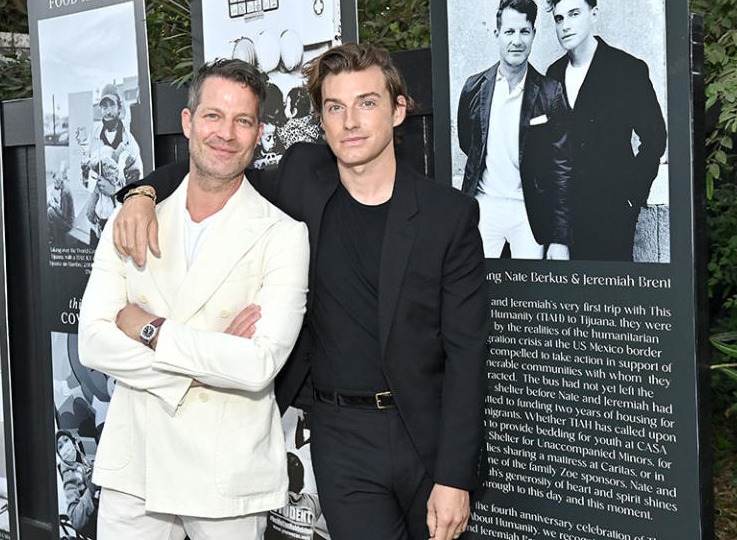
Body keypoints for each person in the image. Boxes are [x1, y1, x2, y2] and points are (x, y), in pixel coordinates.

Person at [113, 43, 490, 540]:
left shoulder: (448, 215)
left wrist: (453, 476)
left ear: (399, 111)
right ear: (321, 120)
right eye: (335, 107)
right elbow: (215, 166)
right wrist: (142, 193)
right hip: (340, 437)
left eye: (367, 103)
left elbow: (468, 352)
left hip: (425, 432)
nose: (350, 121)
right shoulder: (302, 178)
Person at [77, 58, 310, 538]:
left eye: (242, 120)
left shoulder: (283, 234)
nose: (226, 133)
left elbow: (258, 364)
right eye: (213, 116)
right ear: (187, 122)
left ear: (259, 132)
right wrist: (205, 360)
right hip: (134, 465)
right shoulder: (132, 218)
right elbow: (93, 343)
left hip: (227, 472)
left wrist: (149, 327)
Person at [545, 0, 667, 261]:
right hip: (564, 220)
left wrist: (631, 196)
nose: (566, 25)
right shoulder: (552, 75)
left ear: (593, 14)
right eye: (559, 18)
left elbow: (655, 138)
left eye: (574, 14)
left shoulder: (627, 69)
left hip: (612, 212)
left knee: (612, 299)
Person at [457, 0, 571, 260]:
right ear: (497, 33)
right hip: (485, 208)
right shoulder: (474, 88)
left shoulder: (550, 92)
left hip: (530, 211)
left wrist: (560, 238)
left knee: (532, 295)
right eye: (509, 31)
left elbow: (563, 168)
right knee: (478, 292)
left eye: (524, 31)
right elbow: (469, 144)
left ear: (533, 34)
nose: (516, 41)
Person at [83, 83, 144, 245]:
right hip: (98, 221)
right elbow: (87, 181)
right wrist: (85, 175)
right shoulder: (94, 137)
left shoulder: (130, 143)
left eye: (111, 105)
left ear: (119, 107)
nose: (107, 111)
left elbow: (138, 185)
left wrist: (114, 190)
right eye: (104, 106)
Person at [55, 430, 98, 539]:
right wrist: (91, 490)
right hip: (93, 523)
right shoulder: (69, 475)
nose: (65, 447)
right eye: (60, 446)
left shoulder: (84, 460)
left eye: (66, 440)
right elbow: (76, 519)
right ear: (60, 455)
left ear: (73, 443)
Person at [48, 161, 76, 246]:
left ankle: (52, 238)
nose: (54, 185)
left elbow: (64, 215)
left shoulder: (64, 192)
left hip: (68, 224)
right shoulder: (65, 186)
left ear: (60, 181)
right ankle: (53, 233)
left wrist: (54, 206)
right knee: (49, 203)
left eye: (55, 182)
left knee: (49, 210)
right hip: (68, 218)